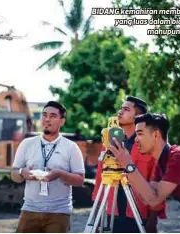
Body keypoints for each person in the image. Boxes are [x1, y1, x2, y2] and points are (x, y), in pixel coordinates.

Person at [92, 96, 166, 233]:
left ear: (138, 116)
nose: (120, 112)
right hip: (112, 212)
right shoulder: (110, 143)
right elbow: (99, 179)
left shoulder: (148, 145)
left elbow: (157, 183)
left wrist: (153, 218)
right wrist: (96, 213)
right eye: (120, 108)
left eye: (126, 109)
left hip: (138, 212)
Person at [11, 101, 85, 233]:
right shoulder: (27, 144)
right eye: (44, 115)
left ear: (62, 121)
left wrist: (59, 174)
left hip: (59, 212)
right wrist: (23, 172)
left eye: (53, 116)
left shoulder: (71, 147)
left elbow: (80, 180)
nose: (47, 119)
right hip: (30, 210)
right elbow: (14, 174)